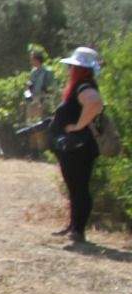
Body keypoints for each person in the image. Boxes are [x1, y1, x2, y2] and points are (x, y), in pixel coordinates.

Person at [48, 46, 106, 245]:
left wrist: (77, 126)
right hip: (75, 147)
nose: (70, 70)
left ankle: (78, 230)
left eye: (73, 67)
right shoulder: (83, 85)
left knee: (80, 187)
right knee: (74, 187)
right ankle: (74, 225)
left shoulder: (84, 86)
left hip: (80, 147)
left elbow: (95, 103)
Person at [25, 46, 57, 154]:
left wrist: (45, 96)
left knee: (40, 126)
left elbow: (52, 88)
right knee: (30, 125)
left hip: (42, 100)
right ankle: (33, 151)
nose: (30, 61)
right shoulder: (33, 72)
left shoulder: (48, 72)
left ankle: (42, 150)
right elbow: (30, 85)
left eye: (32, 58)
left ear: (37, 59)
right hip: (32, 100)